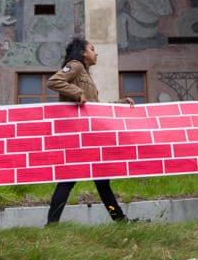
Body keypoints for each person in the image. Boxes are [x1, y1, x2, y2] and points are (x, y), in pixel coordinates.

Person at [45, 37, 134, 224]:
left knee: (102, 181)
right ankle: (51, 224)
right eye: (92, 49)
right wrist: (77, 93)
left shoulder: (85, 74)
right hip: (77, 137)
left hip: (89, 137)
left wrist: (120, 104)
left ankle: (120, 220)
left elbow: (95, 107)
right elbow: (53, 81)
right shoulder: (75, 66)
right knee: (68, 180)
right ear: (82, 52)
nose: (96, 53)